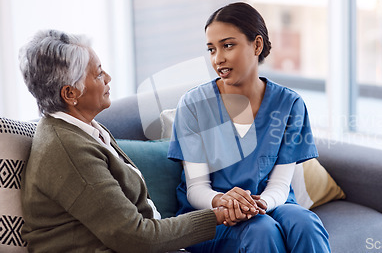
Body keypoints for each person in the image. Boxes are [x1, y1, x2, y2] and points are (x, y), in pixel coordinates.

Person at [19, 29, 228, 253]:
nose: (108, 78)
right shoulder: (68, 150)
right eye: (98, 74)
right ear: (70, 94)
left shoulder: (83, 131)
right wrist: (216, 216)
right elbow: (136, 239)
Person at [168, 2, 331, 252]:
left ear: (257, 45)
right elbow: (196, 188)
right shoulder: (194, 105)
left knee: (306, 222)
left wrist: (255, 206)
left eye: (228, 45)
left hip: (270, 205)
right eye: (211, 49)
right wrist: (224, 202)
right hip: (212, 213)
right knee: (261, 229)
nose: (217, 58)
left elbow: (280, 184)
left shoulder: (289, 104)